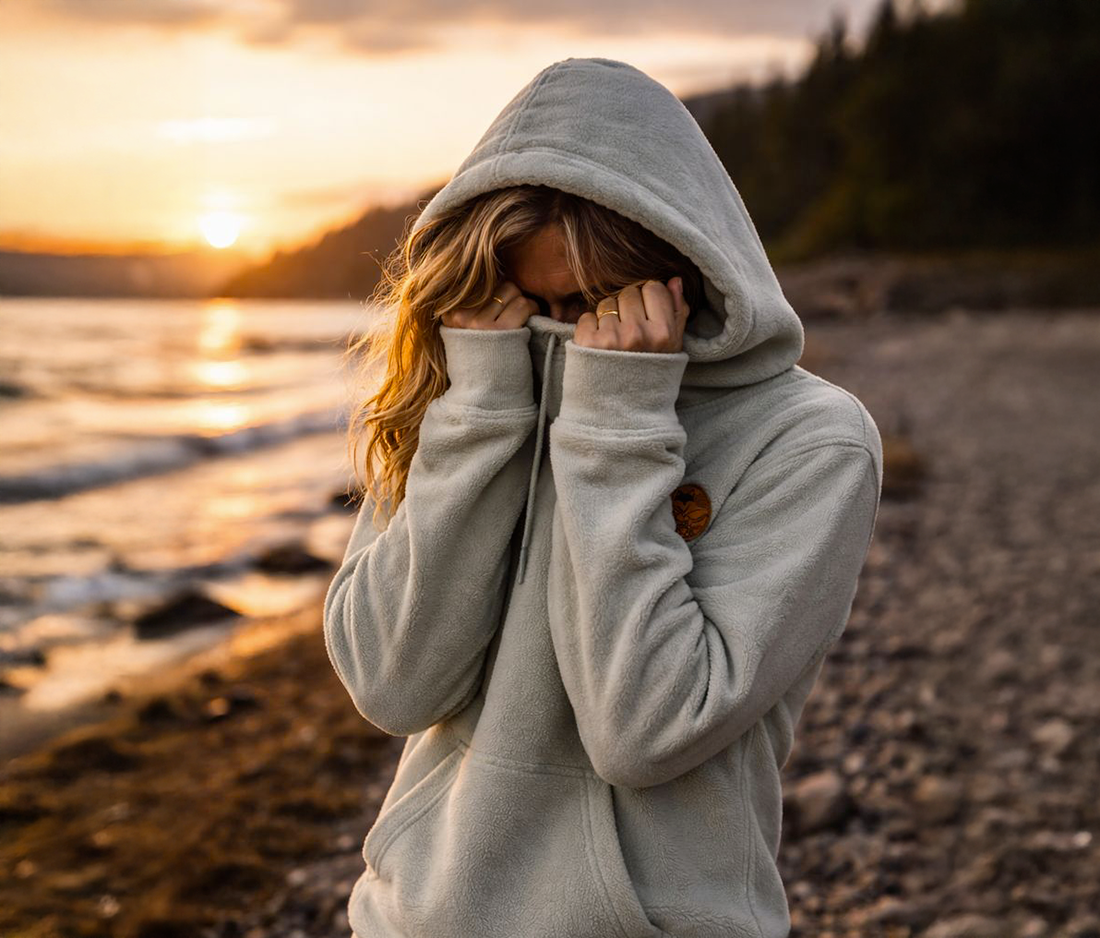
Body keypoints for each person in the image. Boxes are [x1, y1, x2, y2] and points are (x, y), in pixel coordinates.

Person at [324, 56, 883, 938]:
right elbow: (393, 684)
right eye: (525, 299)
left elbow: (647, 731)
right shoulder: (474, 385)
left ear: (683, 266)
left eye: (591, 301)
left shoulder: (813, 441)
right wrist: (478, 415)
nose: (556, 331)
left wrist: (618, 418)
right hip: (408, 919)